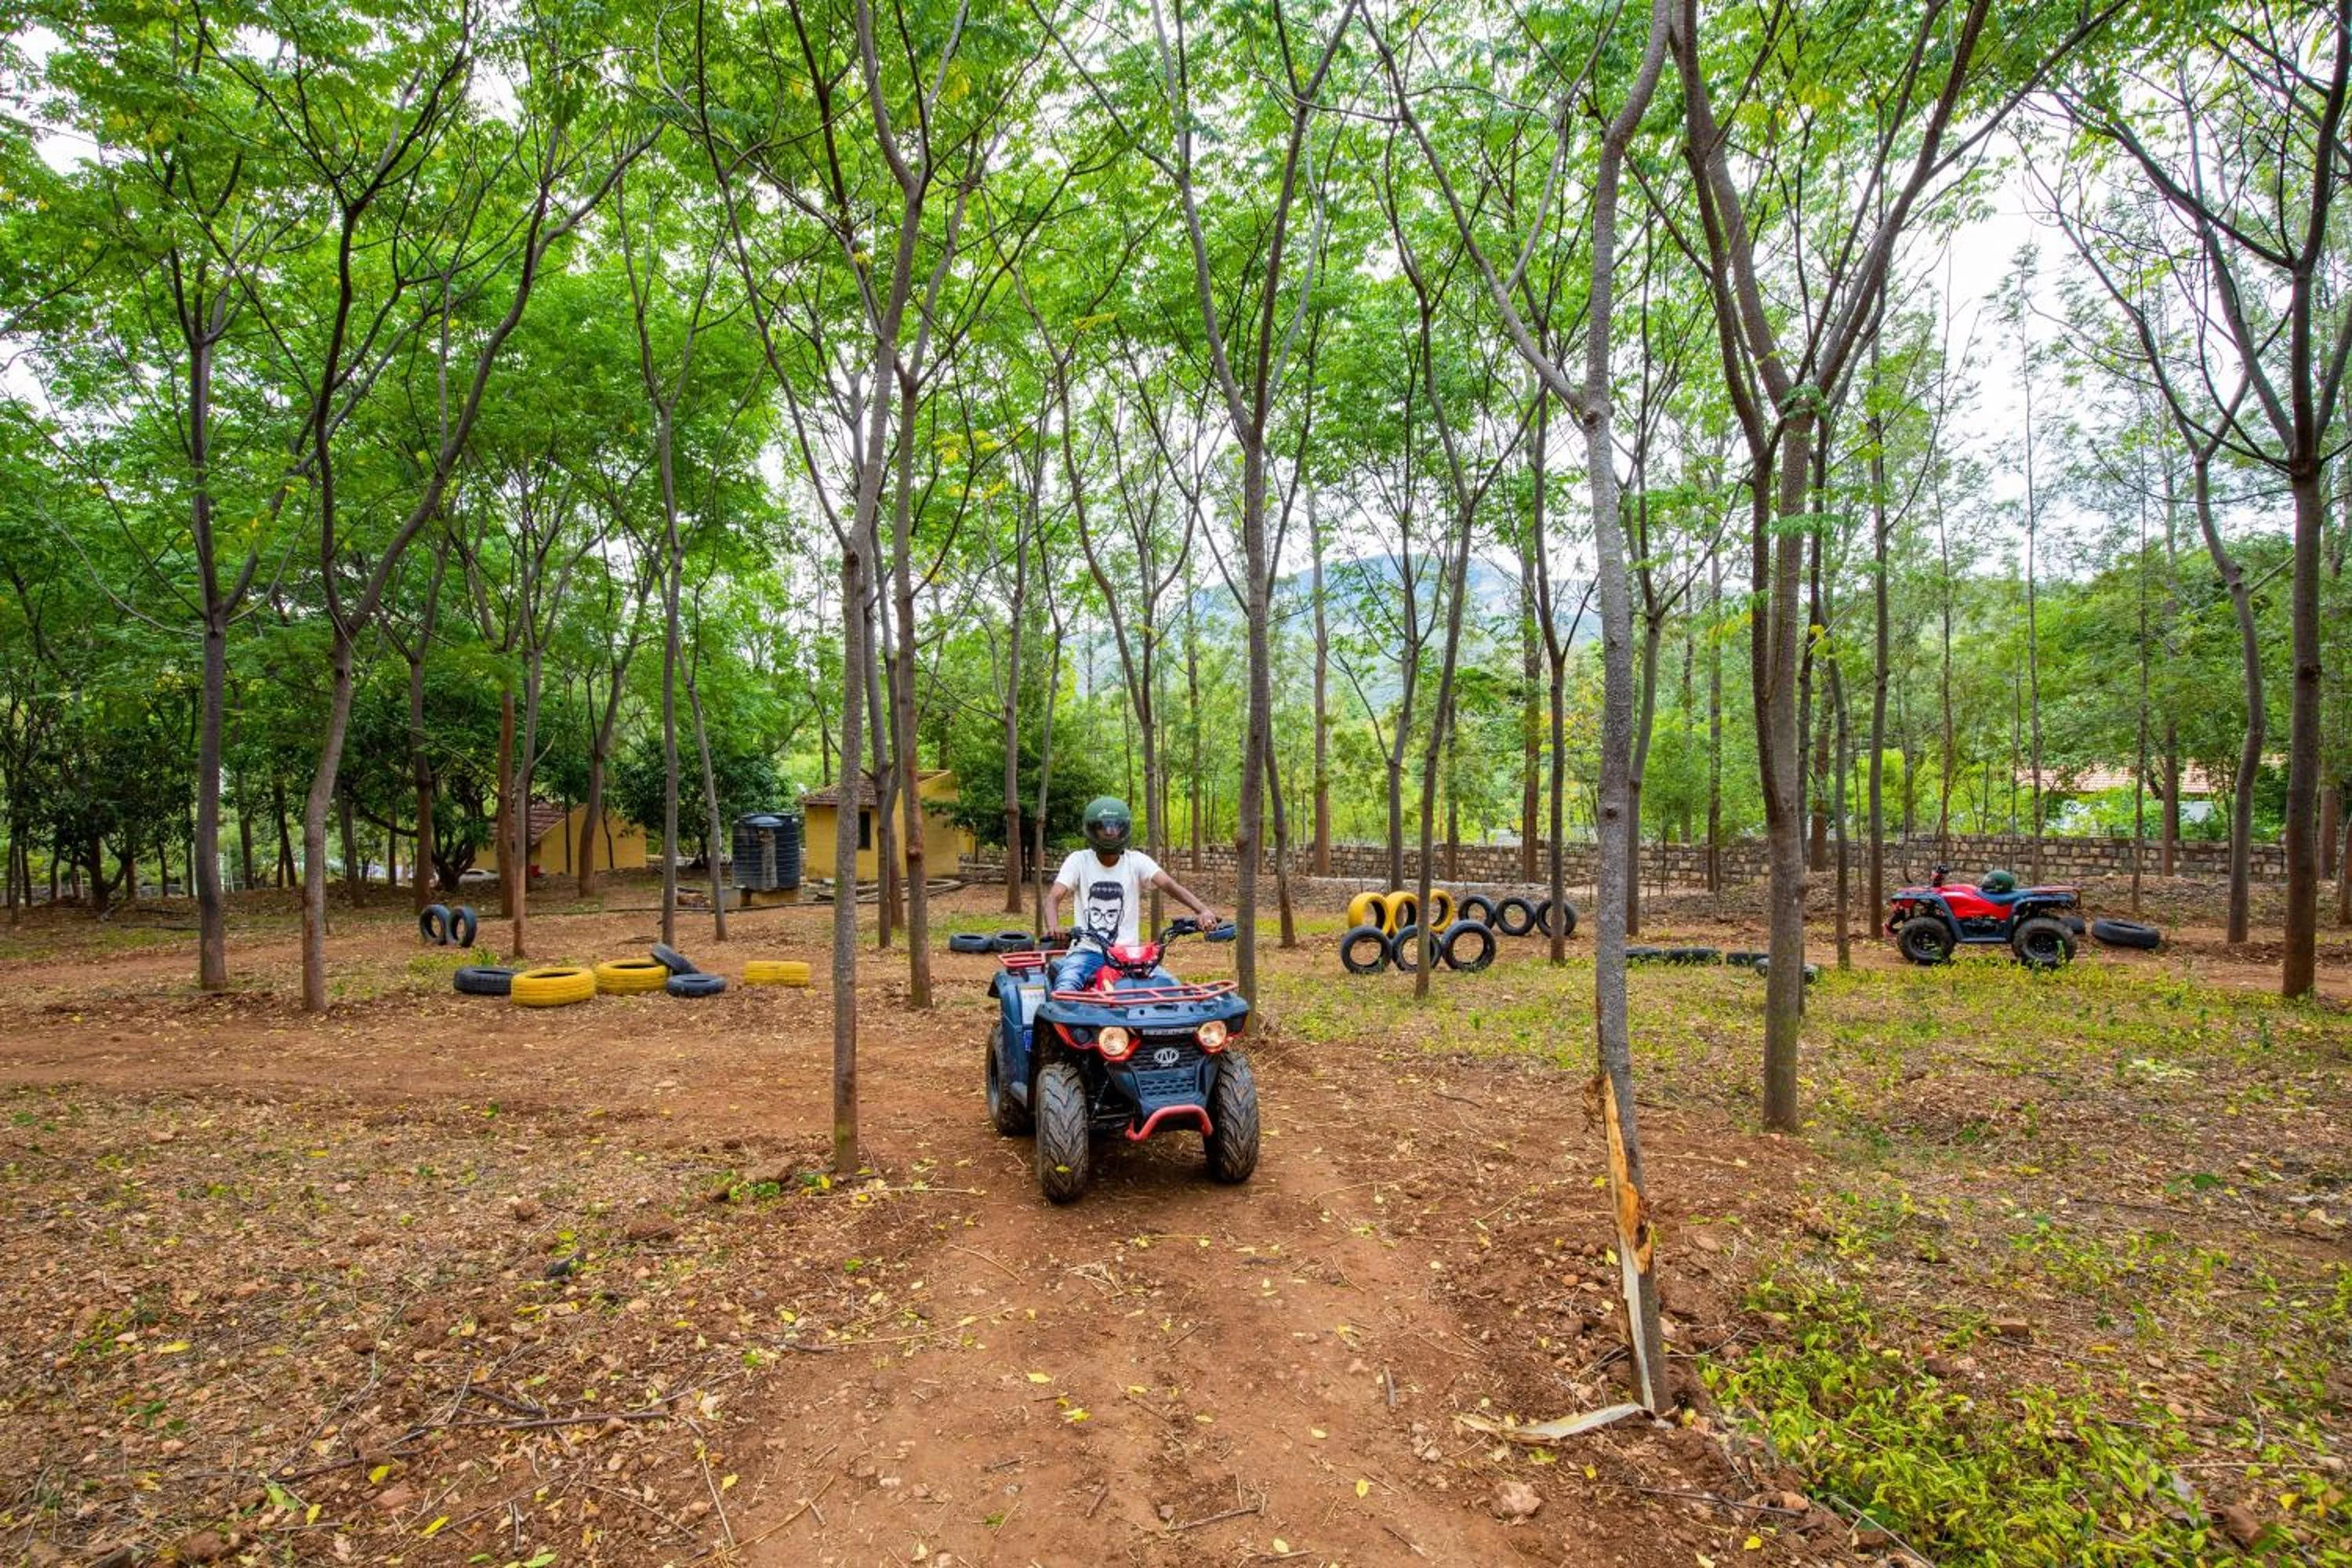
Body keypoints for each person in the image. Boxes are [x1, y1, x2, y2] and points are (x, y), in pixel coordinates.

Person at [1043, 797, 1220, 993]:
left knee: (1172, 989)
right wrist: (1053, 927)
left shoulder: (1136, 861)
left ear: (1123, 829)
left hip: (1129, 956)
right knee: (1065, 990)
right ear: (1092, 830)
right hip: (1087, 952)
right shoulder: (1078, 861)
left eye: (1115, 826)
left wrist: (1202, 910)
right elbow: (1054, 897)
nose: (1109, 831)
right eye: (1103, 827)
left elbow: (1169, 885)